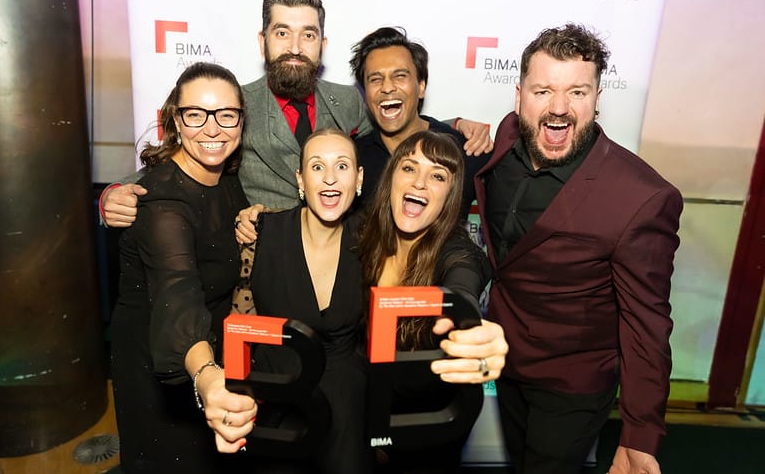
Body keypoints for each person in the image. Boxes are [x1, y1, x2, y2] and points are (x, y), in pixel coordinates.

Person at [101, 0, 492, 227]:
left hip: (340, 261)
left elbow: (397, 131)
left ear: (322, 45)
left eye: (308, 35)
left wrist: (451, 125)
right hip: (262, 264)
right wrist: (115, 192)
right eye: (282, 32)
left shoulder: (348, 102)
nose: (294, 47)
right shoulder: (235, 103)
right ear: (262, 42)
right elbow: (179, 158)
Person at [474, 24, 683, 474]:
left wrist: (639, 434)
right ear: (519, 96)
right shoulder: (509, 138)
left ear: (598, 97)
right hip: (507, 365)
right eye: (543, 90)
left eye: (577, 92)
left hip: (573, 383)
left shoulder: (640, 197)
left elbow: (647, 325)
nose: (559, 108)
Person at [109, 62, 257, 473]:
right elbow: (178, 294)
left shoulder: (224, 175)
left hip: (207, 343)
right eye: (196, 114)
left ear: (241, 120)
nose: (213, 129)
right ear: (176, 118)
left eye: (226, 115)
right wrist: (209, 378)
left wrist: (251, 217)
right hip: (158, 356)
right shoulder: (162, 205)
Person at [358, 130, 509, 473]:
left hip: (425, 439)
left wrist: (470, 324)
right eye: (409, 168)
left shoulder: (457, 254)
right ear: (391, 178)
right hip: (358, 427)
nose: (421, 183)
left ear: (450, 195)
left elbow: (462, 287)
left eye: (438, 175)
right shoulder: (361, 238)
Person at [245, 128, 372, 474]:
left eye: (342, 166)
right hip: (277, 406)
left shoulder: (376, 239)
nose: (330, 179)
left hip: (348, 410)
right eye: (317, 167)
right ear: (300, 179)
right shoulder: (259, 234)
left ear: (358, 178)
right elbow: (235, 322)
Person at [349, 26, 490, 218]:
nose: (387, 87)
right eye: (375, 79)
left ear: (421, 86)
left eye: (400, 76)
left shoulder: (464, 152)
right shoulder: (352, 160)